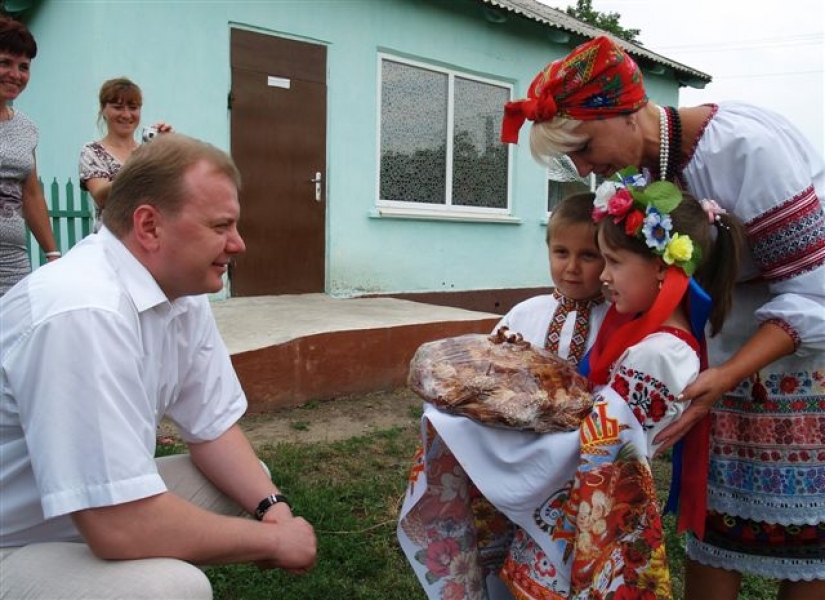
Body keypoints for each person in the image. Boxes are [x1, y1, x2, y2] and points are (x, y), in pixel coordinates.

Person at [500, 34, 825, 599]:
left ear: (627, 112)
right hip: (717, 365)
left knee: (803, 541)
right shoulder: (641, 175)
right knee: (714, 527)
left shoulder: (745, 150)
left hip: (793, 371)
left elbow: (816, 296)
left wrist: (724, 376)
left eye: (583, 146)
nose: (583, 167)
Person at [0, 133, 317, 600]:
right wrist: (272, 541)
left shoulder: (177, 292)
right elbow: (119, 527)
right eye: (221, 226)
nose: (239, 244)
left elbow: (211, 427)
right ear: (149, 226)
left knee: (248, 482)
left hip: (66, 513)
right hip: (13, 540)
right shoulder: (82, 311)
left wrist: (275, 509)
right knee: (172, 589)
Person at [398, 175, 746, 599]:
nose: (602, 276)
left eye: (611, 262)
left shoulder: (659, 355)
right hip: (570, 506)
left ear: (660, 267)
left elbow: (596, 446)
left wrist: (479, 439)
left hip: (581, 518)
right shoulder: (641, 338)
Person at [495, 192, 608, 363]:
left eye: (587, 255)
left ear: (608, 258)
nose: (572, 268)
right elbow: (490, 363)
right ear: (549, 251)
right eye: (562, 252)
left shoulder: (617, 322)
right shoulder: (523, 314)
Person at [0, 15, 59, 297]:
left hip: (14, 266)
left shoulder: (26, 128)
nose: (16, 74)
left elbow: (31, 194)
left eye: (24, 67)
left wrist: (53, 253)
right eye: (5, 63)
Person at [79, 77, 172, 229]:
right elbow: (102, 197)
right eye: (117, 107)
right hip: (112, 243)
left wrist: (170, 149)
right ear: (103, 109)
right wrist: (142, 163)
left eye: (133, 107)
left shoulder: (150, 152)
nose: (127, 115)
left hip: (151, 242)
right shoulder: (92, 151)